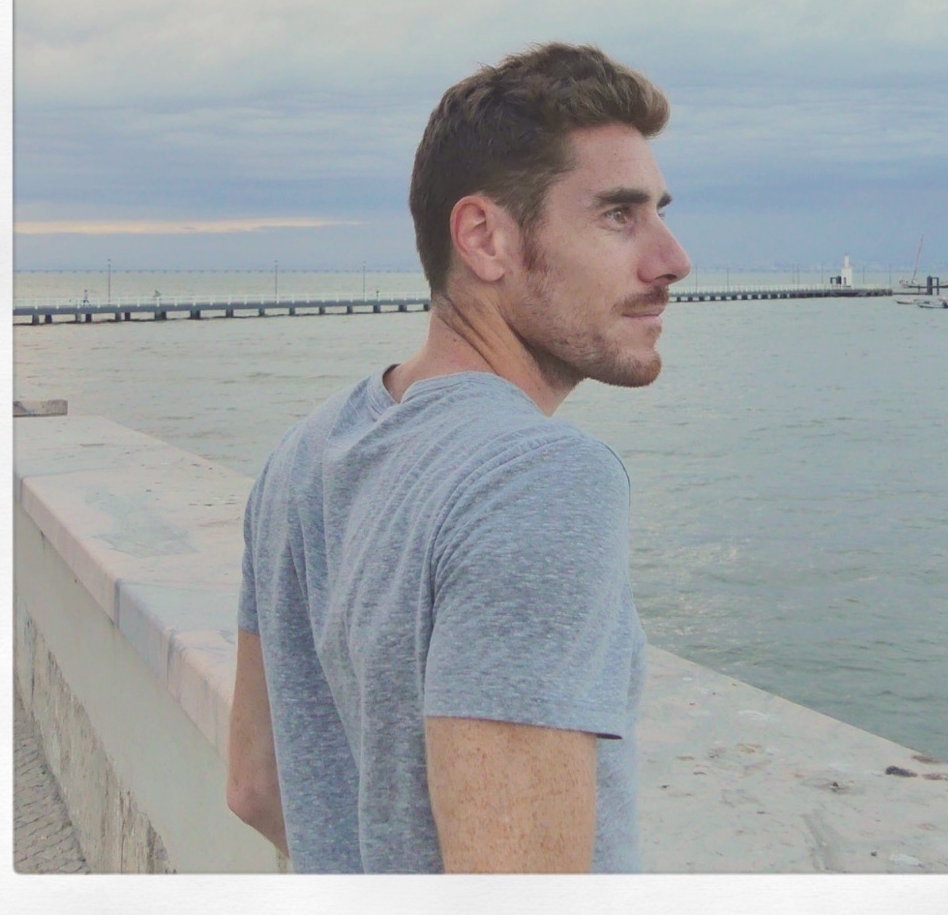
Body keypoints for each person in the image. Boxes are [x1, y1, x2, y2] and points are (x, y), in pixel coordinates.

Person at [227, 42, 691, 873]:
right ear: (484, 238)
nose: (672, 261)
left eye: (659, 212)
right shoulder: (537, 481)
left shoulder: (301, 458)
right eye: (620, 216)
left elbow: (255, 787)